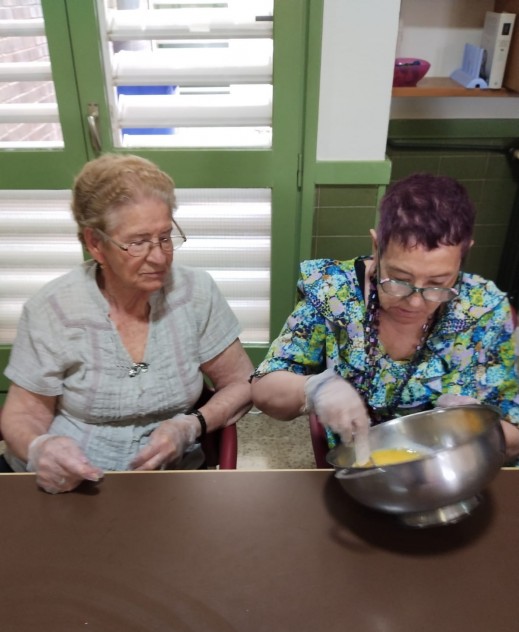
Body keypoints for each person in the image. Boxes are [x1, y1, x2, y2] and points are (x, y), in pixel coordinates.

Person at [0, 153, 253, 492]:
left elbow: (242, 383)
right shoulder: (52, 309)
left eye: (165, 236)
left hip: (169, 482)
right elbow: (23, 415)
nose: (159, 256)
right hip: (73, 487)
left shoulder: (196, 293)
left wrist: (190, 425)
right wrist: (41, 449)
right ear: (96, 244)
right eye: (138, 242)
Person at [252, 172, 519, 465]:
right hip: (360, 469)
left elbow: (514, 430)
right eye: (399, 279)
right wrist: (313, 389)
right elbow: (265, 389)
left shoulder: (485, 311)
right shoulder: (334, 292)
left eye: (438, 283)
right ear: (376, 247)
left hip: (455, 473)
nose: (415, 301)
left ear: (463, 255)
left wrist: (475, 426)